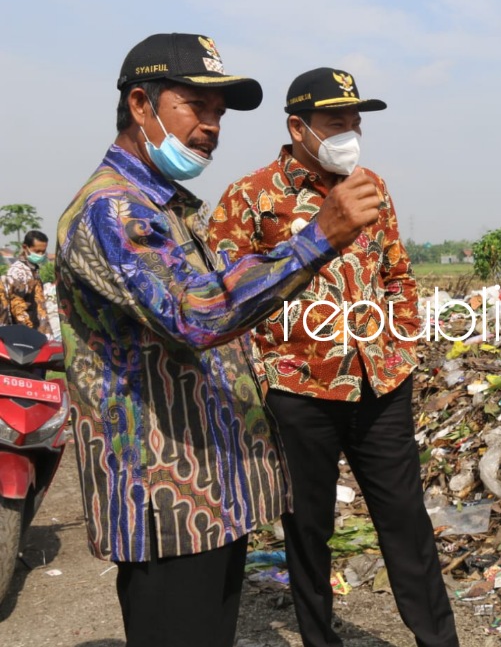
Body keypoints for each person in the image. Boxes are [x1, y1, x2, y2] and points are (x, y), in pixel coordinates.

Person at [55, 35, 388, 647]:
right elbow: (197, 315)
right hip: (165, 496)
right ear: (140, 104)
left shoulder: (168, 206)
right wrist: (317, 239)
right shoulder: (112, 211)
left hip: (208, 495)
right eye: (195, 107)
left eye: (219, 114)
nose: (211, 126)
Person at [209, 67, 459, 647]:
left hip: (381, 383)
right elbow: (223, 290)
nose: (350, 132)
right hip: (299, 391)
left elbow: (397, 272)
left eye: (355, 122)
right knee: (309, 530)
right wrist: (266, 368)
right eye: (335, 122)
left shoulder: (372, 185)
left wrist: (401, 343)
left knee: (406, 523)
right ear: (299, 126)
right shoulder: (251, 197)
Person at [5, 230, 53, 336]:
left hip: (40, 331)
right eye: (37, 251)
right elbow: (17, 307)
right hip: (28, 334)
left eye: (43, 251)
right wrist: (30, 333)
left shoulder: (33, 269)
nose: (41, 254)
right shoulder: (18, 272)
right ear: (25, 247)